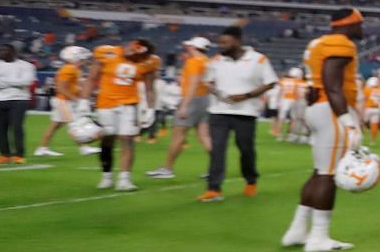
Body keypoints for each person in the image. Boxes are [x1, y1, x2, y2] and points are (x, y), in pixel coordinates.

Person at [280, 8, 364, 252]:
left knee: (319, 172)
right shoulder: (341, 43)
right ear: (348, 24)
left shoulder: (320, 42)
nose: (362, 28)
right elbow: (332, 83)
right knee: (329, 175)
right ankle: (318, 237)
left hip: (319, 108)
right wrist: (347, 120)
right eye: (359, 24)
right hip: (331, 110)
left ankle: (297, 230)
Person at [201, 26, 275, 202]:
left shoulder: (258, 59)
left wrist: (246, 96)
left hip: (246, 112)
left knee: (245, 149)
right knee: (217, 149)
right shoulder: (217, 60)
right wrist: (214, 90)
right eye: (220, 42)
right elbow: (207, 81)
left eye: (225, 42)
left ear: (238, 41)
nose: (222, 45)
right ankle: (214, 188)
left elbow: (270, 82)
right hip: (219, 111)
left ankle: (250, 180)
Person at [85, 38, 159, 190]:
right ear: (129, 43)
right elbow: (92, 78)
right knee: (108, 139)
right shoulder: (106, 52)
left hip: (129, 104)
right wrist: (83, 101)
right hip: (105, 104)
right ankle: (107, 175)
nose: (131, 53)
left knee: (127, 139)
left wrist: (151, 108)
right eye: (132, 48)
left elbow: (150, 88)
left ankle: (124, 179)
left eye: (136, 53)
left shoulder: (148, 62)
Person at [150, 37, 214, 179]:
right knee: (204, 137)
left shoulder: (193, 62)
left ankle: (167, 169)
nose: (187, 48)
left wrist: (184, 105)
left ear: (194, 47)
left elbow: (193, 84)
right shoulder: (208, 61)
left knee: (178, 137)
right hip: (205, 100)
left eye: (190, 46)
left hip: (192, 100)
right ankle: (215, 168)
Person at [0, 43, 36, 163]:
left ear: (14, 52)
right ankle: (4, 155)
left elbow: (27, 81)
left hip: (19, 100)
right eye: (0, 50)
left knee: (17, 127)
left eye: (5, 50)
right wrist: (15, 83)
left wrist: (2, 81)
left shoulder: (26, 66)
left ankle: (19, 155)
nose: (1, 52)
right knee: (0, 129)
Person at [35, 44, 92, 156]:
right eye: (82, 57)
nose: (85, 59)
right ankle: (84, 148)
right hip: (64, 102)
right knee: (74, 124)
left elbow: (73, 87)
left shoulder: (74, 69)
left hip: (64, 101)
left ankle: (42, 148)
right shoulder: (69, 68)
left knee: (55, 125)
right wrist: (75, 99)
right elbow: (61, 88)